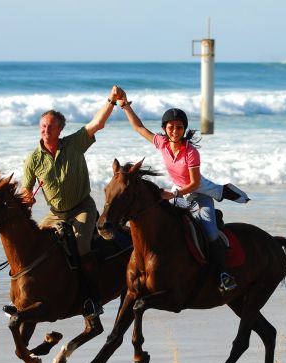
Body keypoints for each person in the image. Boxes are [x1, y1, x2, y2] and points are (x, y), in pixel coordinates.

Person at [117, 92, 247, 293]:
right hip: (178, 194)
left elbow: (194, 184)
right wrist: (125, 105)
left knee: (210, 233)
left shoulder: (191, 152)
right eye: (171, 127)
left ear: (184, 129)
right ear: (164, 129)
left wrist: (173, 195)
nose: (175, 131)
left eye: (179, 127)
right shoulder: (162, 143)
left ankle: (223, 274)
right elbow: (138, 127)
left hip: (199, 194)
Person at [20, 85, 126, 318]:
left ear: (60, 129)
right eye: (43, 126)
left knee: (80, 246)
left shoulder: (74, 144)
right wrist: (27, 200)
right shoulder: (33, 159)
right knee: (35, 247)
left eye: (50, 126)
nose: (45, 130)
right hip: (55, 213)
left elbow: (96, 124)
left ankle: (91, 298)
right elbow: (25, 191)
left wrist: (111, 100)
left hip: (82, 208)